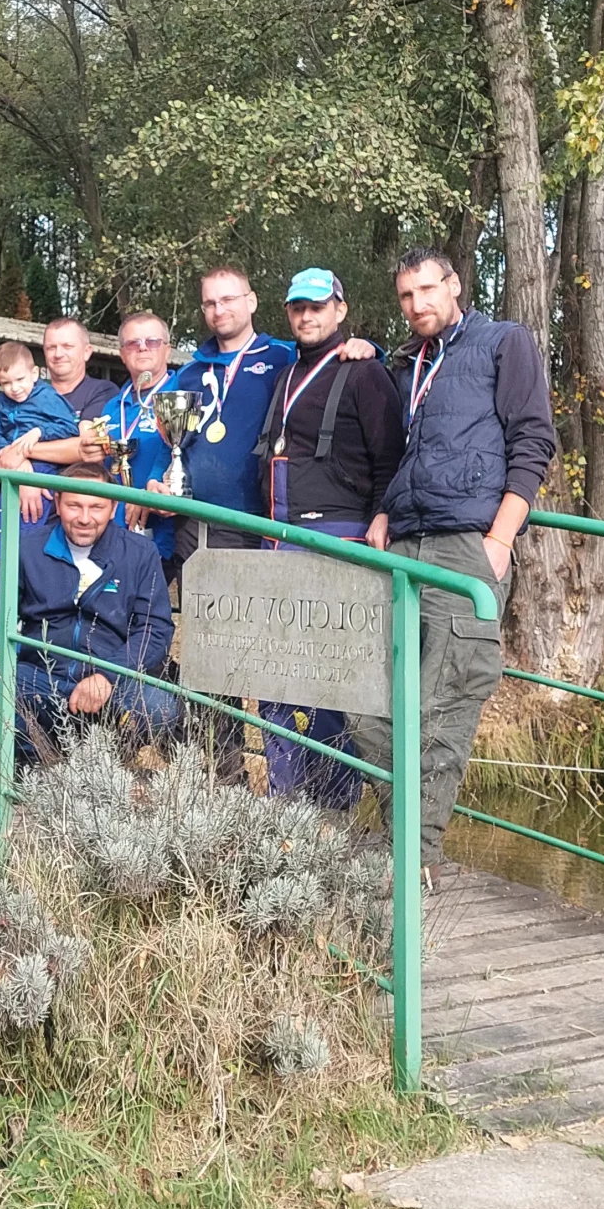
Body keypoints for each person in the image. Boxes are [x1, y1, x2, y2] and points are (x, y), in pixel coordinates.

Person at [377, 245, 558, 867]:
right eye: (405, 295)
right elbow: (407, 453)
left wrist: (501, 538)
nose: (417, 304)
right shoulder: (410, 362)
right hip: (404, 544)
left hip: (465, 545)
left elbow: (534, 438)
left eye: (428, 290)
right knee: (369, 705)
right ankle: (400, 843)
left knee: (442, 710)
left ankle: (412, 864)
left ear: (454, 285)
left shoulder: (503, 342)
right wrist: (384, 509)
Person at [254, 268, 399, 805]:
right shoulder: (284, 372)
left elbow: (390, 458)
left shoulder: (365, 371)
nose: (307, 316)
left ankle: (336, 801)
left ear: (340, 309)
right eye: (298, 308)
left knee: (328, 679)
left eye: (318, 306)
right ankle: (284, 799)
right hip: (277, 537)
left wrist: (382, 514)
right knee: (271, 676)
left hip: (339, 540)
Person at [0, 487, 178, 762]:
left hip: (111, 679)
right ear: (57, 503)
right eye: (74, 506)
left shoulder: (139, 553)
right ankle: (35, 763)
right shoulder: (29, 547)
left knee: (159, 708)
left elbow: (155, 629)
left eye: (96, 507)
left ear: (113, 508)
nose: (84, 517)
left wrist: (107, 676)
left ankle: (108, 764)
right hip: (42, 675)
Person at [170, 265, 374, 575]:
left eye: (228, 299)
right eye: (210, 303)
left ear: (251, 302)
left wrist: (367, 347)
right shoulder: (188, 374)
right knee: (200, 621)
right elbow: (169, 443)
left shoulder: (283, 356)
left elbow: (330, 359)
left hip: (255, 523)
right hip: (192, 522)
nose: (219, 309)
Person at [85, 312, 179, 576]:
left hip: (164, 528)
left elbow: (181, 450)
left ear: (167, 350)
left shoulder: (180, 395)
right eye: (132, 343)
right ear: (122, 354)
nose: (142, 347)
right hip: (113, 532)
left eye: (152, 341)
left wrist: (149, 491)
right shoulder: (112, 406)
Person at [0, 339, 84, 461]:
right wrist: (7, 450)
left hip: (46, 461)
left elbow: (70, 427)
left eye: (20, 379)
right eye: (6, 383)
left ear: (34, 373)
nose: (15, 388)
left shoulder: (47, 397)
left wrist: (39, 432)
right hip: (8, 458)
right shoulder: (1, 401)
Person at [41, 317, 118, 420]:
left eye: (67, 346)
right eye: (51, 348)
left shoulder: (103, 391)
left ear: (86, 352)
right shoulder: (30, 395)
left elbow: (87, 436)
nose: (58, 354)